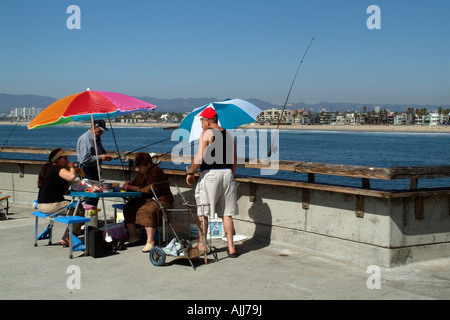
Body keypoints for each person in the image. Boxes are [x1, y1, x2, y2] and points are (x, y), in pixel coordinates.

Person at [186, 107, 239, 257]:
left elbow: (199, 158)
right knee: (227, 214)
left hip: (211, 176)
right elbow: (234, 159)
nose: (201, 124)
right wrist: (231, 174)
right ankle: (231, 247)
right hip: (227, 174)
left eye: (202, 121)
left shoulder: (207, 133)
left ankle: (203, 245)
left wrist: (190, 172)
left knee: (203, 213)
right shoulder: (228, 134)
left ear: (208, 121)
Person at [122, 152, 174, 252]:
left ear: (148, 164)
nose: (139, 169)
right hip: (147, 199)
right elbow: (135, 183)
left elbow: (149, 189)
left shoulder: (156, 172)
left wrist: (130, 187)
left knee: (149, 210)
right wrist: (128, 185)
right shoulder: (142, 172)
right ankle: (133, 236)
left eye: (141, 167)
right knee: (128, 207)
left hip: (162, 200)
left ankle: (150, 241)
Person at [37, 148, 85, 246]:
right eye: (65, 158)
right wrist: (71, 167)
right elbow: (71, 177)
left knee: (73, 207)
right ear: (57, 160)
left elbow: (65, 186)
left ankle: (73, 231)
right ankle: (68, 237)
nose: (67, 160)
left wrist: (73, 172)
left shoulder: (50, 169)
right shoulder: (57, 168)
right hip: (51, 205)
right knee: (78, 208)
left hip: (42, 204)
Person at [76, 119, 113, 206]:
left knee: (96, 195)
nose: (101, 133)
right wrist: (101, 157)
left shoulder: (97, 138)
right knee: (90, 195)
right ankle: (90, 216)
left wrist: (105, 156)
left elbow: (99, 151)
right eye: (100, 130)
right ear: (95, 127)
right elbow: (85, 158)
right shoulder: (86, 139)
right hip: (87, 170)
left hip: (95, 169)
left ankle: (93, 215)